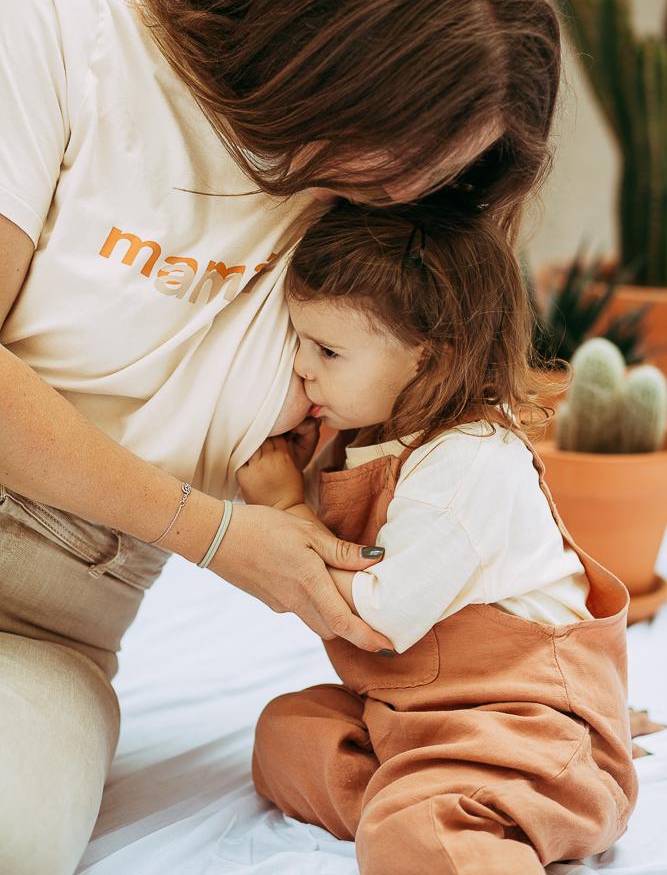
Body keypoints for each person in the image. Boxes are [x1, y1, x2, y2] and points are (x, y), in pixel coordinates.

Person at [0, 0, 561, 872]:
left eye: (440, 171)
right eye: (399, 141)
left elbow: (445, 498)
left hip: (49, 620)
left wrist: (546, 697)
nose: (403, 188)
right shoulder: (69, 37)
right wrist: (213, 532)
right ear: (323, 41)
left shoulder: (381, 251)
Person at [239, 197, 638, 875]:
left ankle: (453, 817)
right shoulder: (367, 440)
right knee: (286, 734)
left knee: (416, 828)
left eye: (328, 350)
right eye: (297, 341)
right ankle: (441, 807)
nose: (302, 368)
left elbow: (375, 618)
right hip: (414, 719)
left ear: (429, 357)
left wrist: (285, 506)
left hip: (520, 728)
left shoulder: (469, 463)